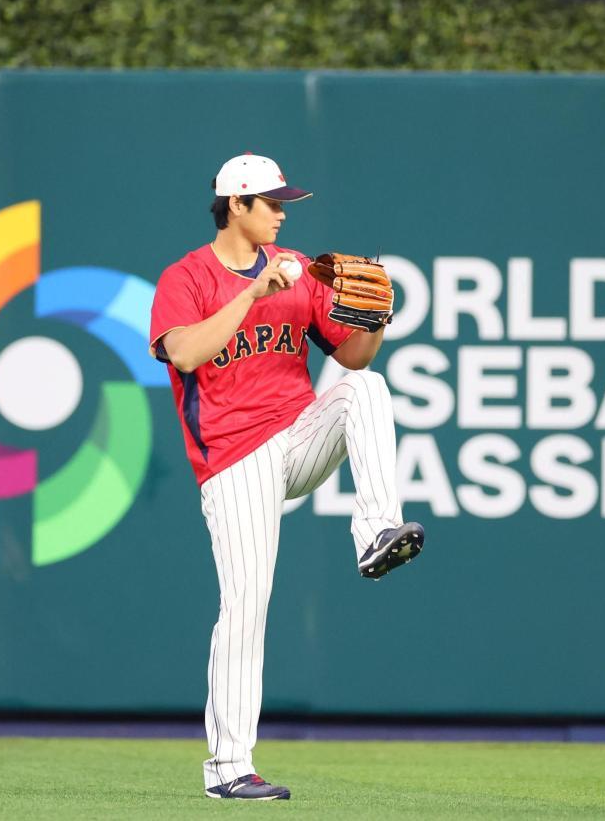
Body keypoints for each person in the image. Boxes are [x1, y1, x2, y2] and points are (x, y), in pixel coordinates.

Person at [148, 153, 425, 801]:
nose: (281, 211)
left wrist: (375, 317)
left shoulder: (300, 272)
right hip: (232, 458)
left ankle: (376, 530)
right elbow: (184, 350)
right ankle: (227, 769)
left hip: (297, 436)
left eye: (283, 202)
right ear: (235, 206)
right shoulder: (186, 276)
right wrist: (252, 292)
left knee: (367, 387)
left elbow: (352, 355)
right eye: (270, 201)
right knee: (245, 608)